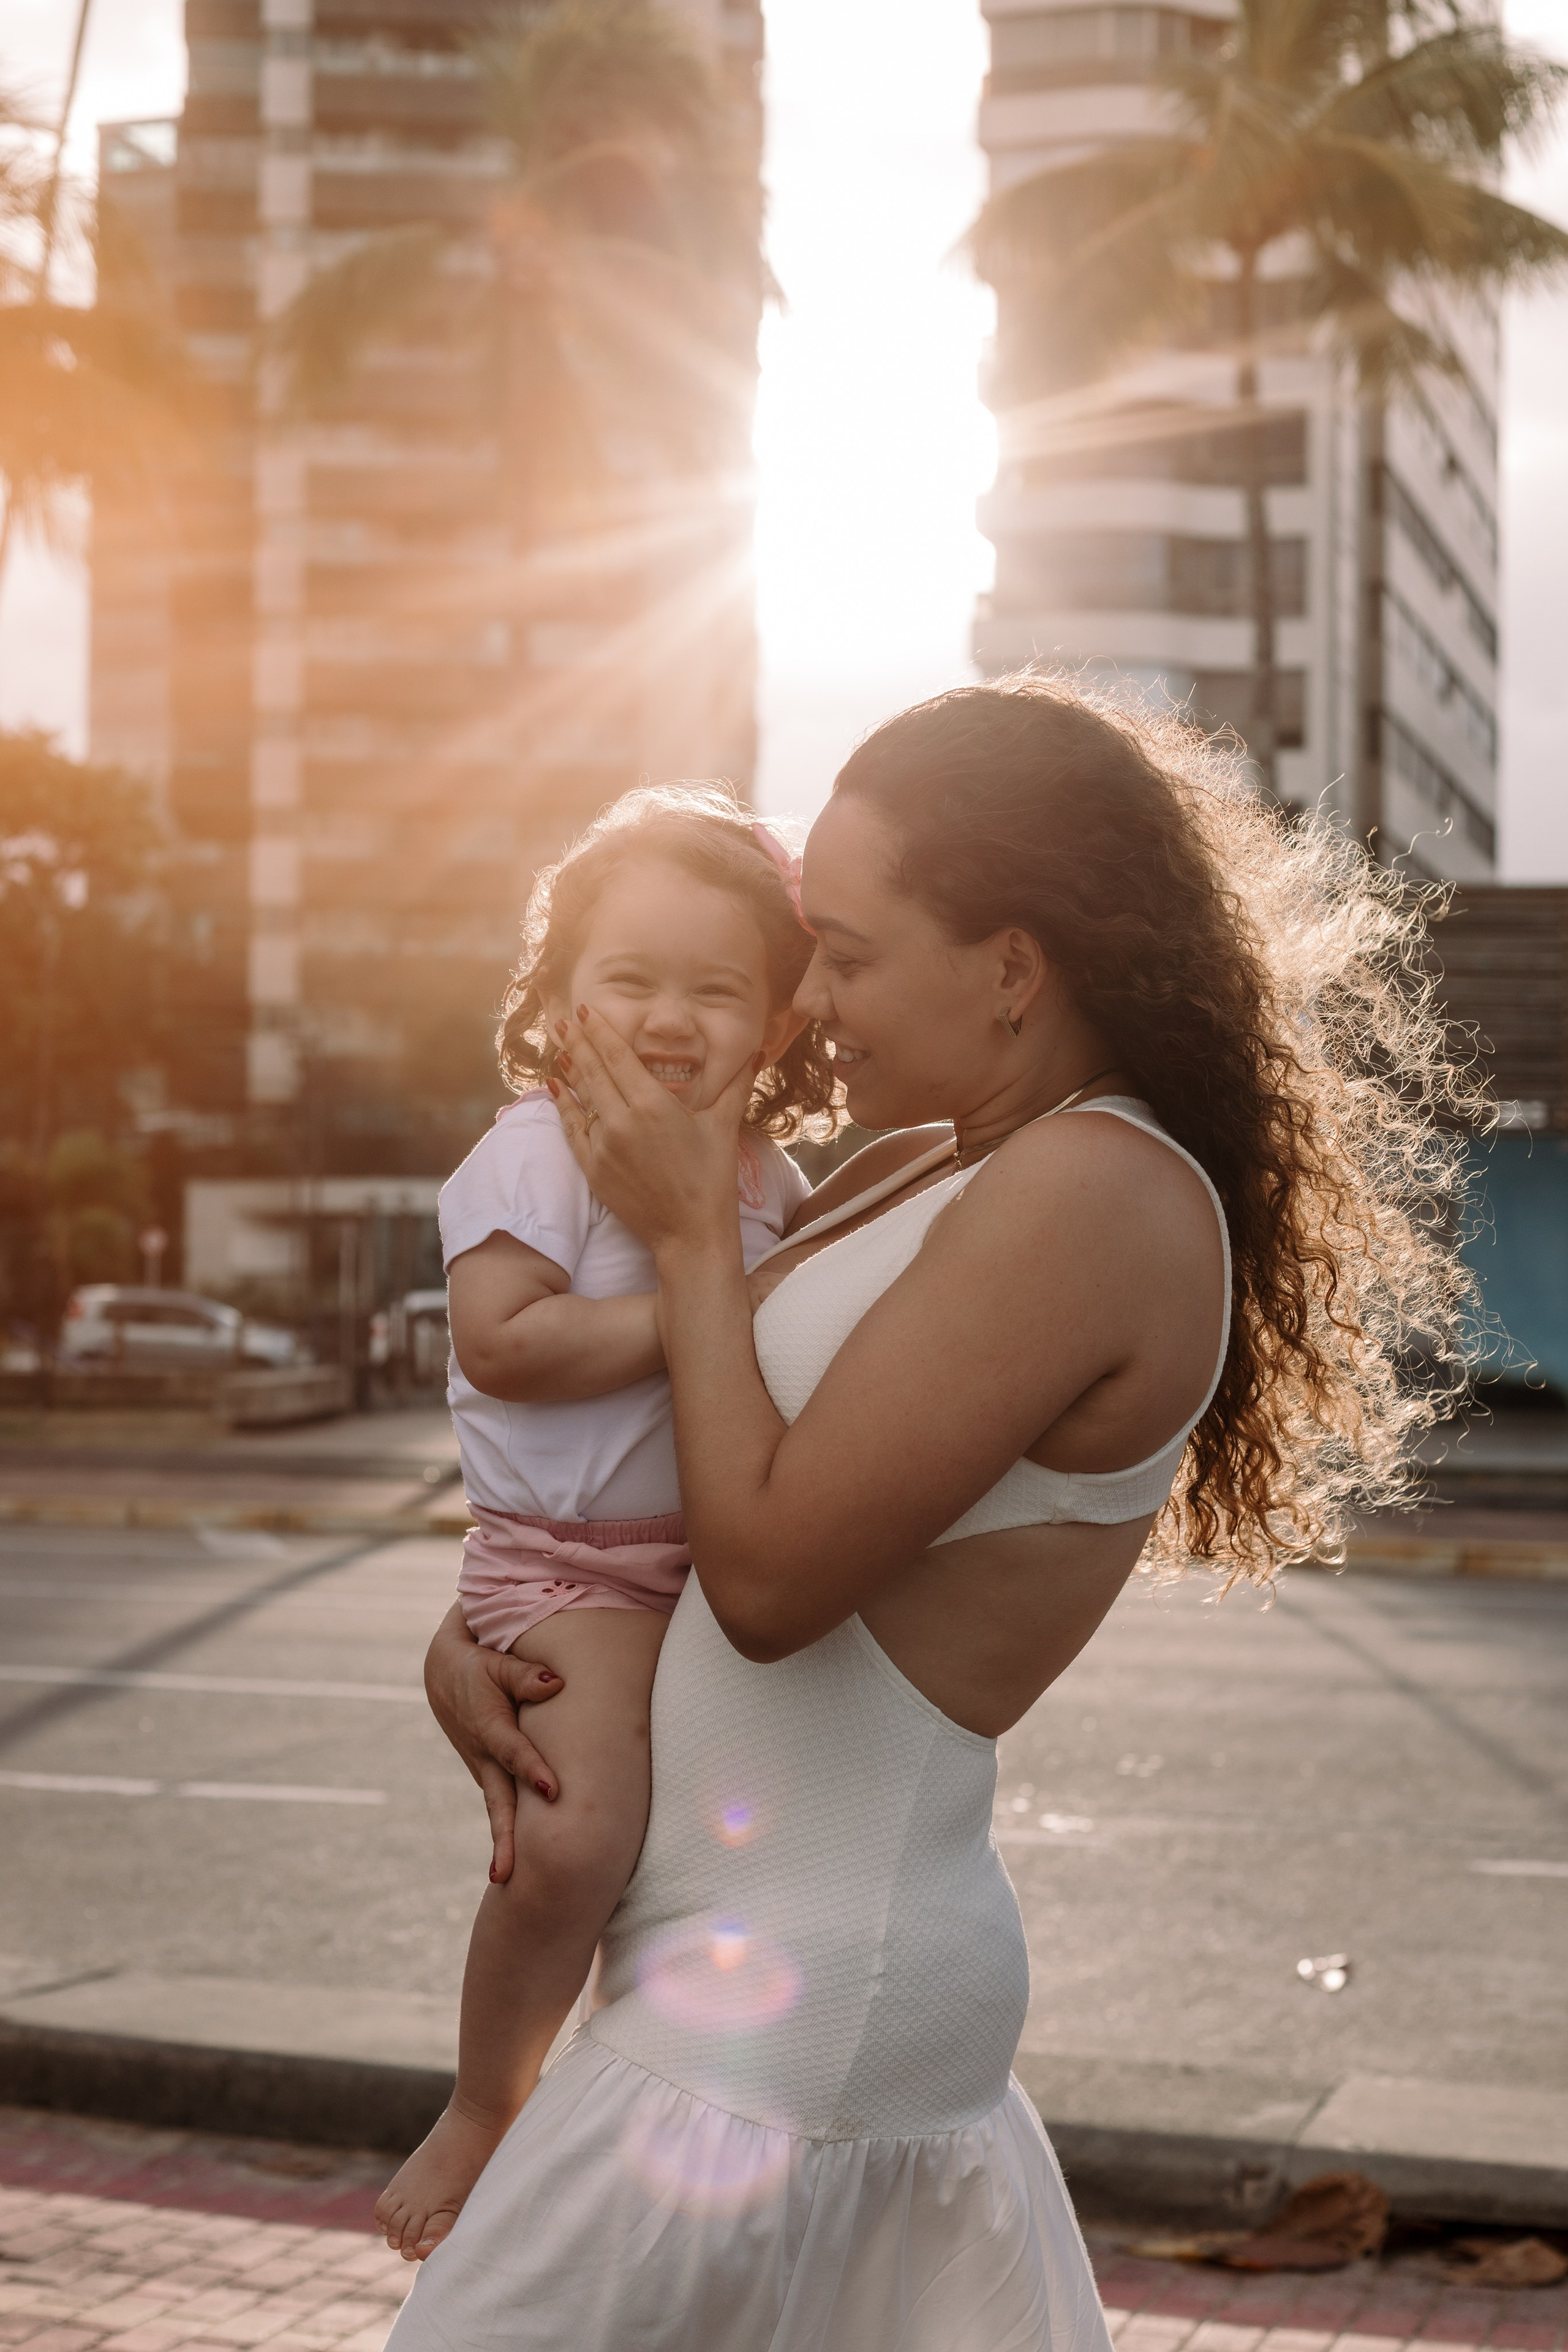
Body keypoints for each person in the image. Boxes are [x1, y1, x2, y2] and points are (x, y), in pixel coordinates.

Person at [395, 677, 1477, 2350]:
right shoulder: (936, 1163)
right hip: (734, 2003)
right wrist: (482, 1638)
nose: (810, 1003)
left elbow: (767, 1580)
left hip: (790, 2031)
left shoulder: (1101, 1194)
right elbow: (684, 1474)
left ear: (1012, 965)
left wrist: (691, 1239)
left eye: (849, 948)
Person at [376, 786, 832, 2259]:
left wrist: (740, 1275)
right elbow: (504, 1341)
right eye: (627, 978)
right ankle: (481, 2104)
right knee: (574, 1851)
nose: (666, 1015)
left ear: (773, 1026)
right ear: (560, 1003)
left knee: (684, 1882)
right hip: (563, 1568)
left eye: (716, 989)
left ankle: (617, 2117)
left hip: (704, 1573)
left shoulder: (774, 1186)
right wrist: (708, 1301)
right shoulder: (532, 1155)